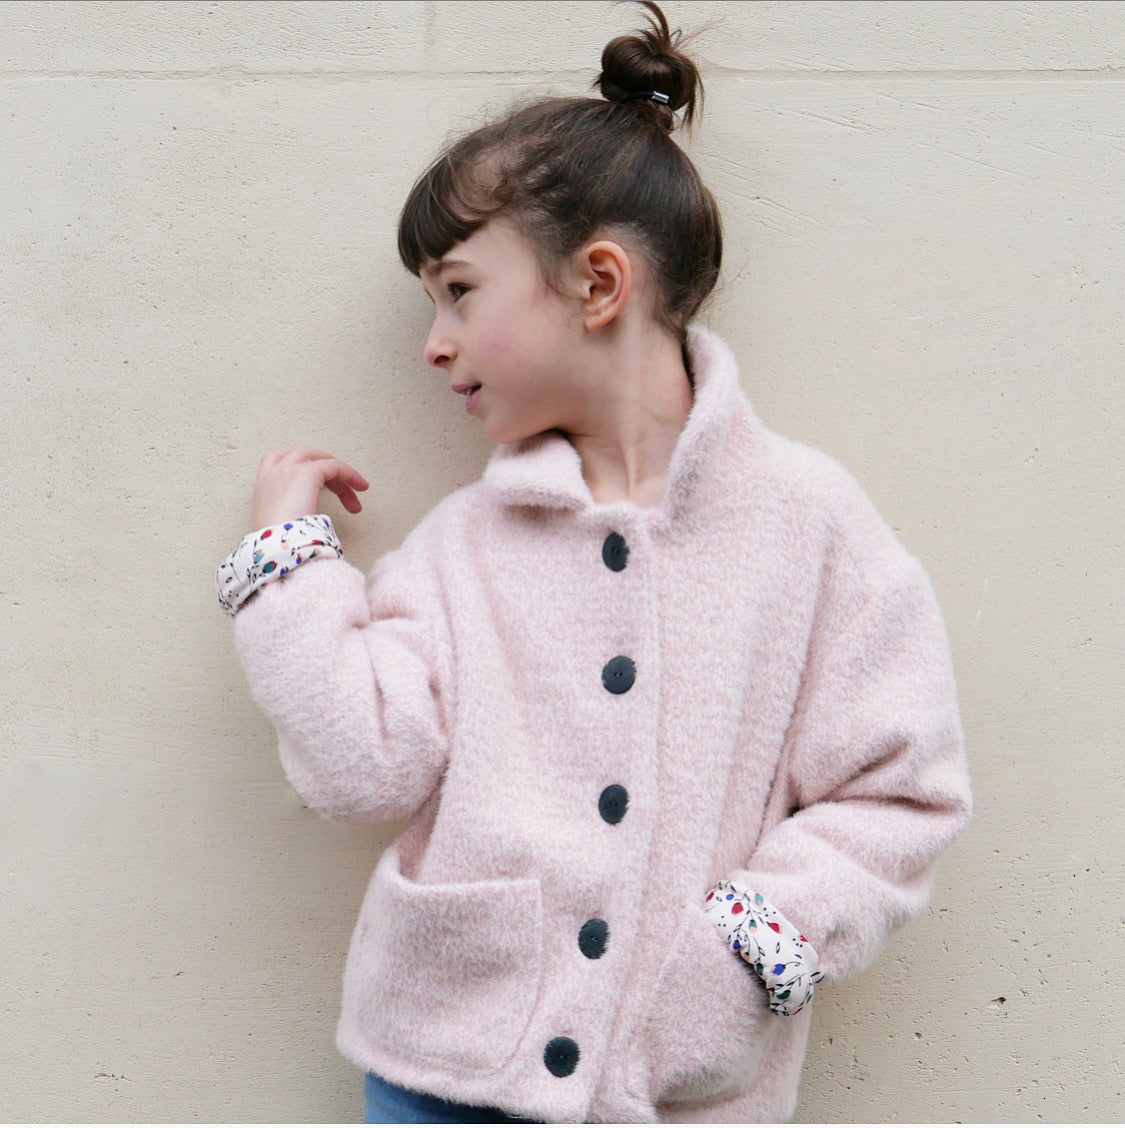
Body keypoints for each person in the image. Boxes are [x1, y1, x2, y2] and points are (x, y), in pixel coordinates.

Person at [216, 3, 971, 1122]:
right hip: (445, 1081)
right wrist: (286, 569)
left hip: (679, 1098)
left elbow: (899, 794)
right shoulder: (464, 549)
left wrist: (741, 959)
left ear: (599, 283)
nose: (433, 342)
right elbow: (360, 768)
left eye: (458, 290)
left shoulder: (811, 527)